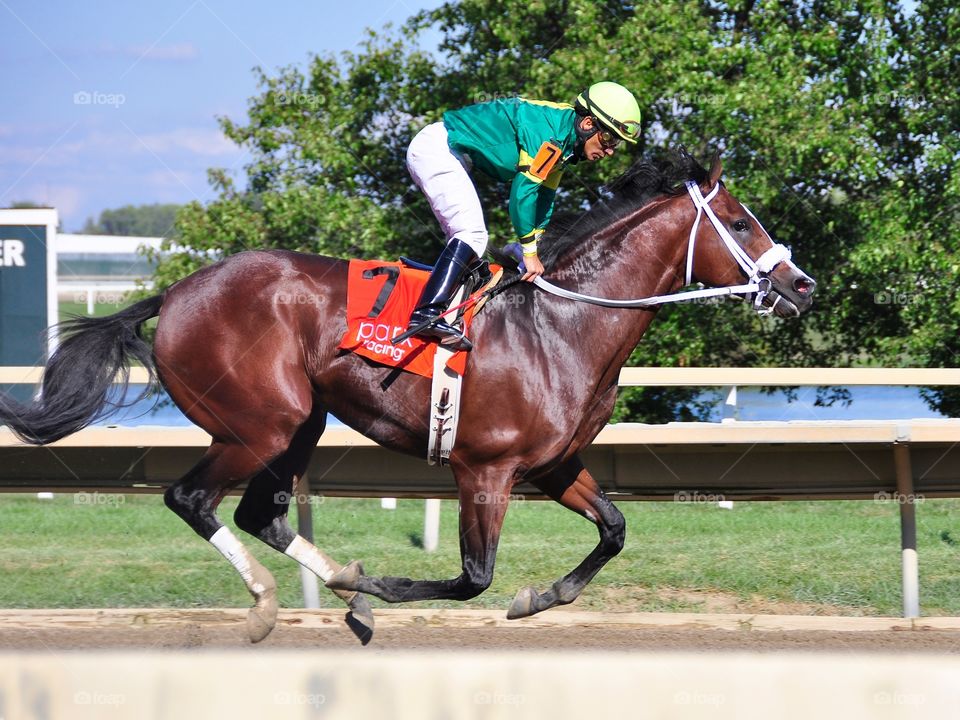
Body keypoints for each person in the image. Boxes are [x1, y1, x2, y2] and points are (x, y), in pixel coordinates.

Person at [404, 81, 642, 349]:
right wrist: (528, 253)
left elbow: (545, 198)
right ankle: (426, 313)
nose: (610, 151)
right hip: (439, 150)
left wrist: (533, 246)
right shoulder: (550, 135)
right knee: (472, 235)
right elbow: (522, 194)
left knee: (473, 253)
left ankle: (449, 309)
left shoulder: (565, 141)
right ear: (588, 124)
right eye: (609, 139)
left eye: (616, 144)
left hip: (452, 155)